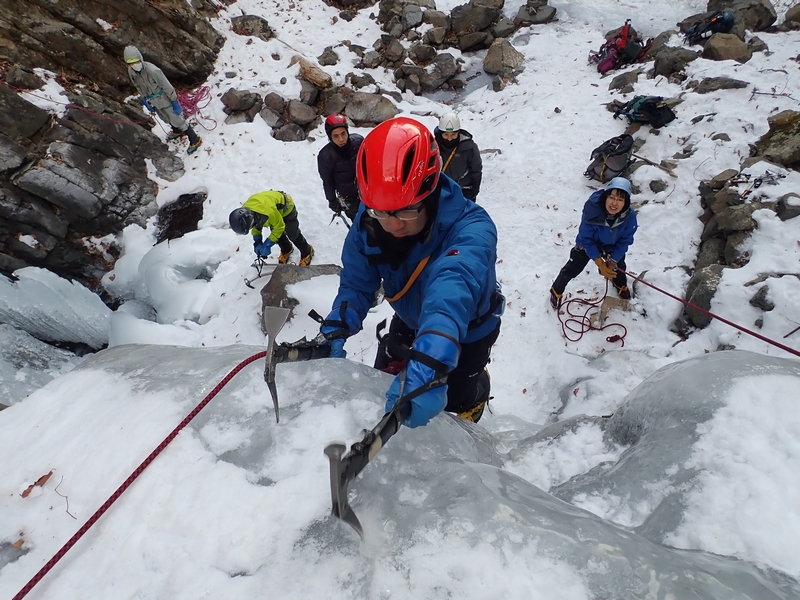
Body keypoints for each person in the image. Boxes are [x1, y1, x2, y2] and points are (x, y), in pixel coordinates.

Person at [319, 117, 503, 427]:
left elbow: (452, 286)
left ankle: (476, 392)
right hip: (410, 315)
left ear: (430, 191)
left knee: (454, 398)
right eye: (382, 212)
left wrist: (433, 354)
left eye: (407, 210)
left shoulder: (472, 229)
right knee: (387, 374)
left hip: (467, 328)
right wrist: (340, 320)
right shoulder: (370, 217)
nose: (393, 224)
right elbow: (357, 281)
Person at [549, 177, 637, 309]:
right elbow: (586, 239)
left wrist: (612, 261)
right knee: (572, 268)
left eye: (620, 199)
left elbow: (625, 241)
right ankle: (556, 290)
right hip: (587, 245)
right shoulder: (592, 211)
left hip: (612, 246)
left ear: (626, 202)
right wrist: (599, 261)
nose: (614, 203)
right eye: (612, 197)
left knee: (618, 268)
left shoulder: (629, 217)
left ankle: (620, 284)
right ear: (605, 197)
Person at [124, 46, 203, 155]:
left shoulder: (153, 71)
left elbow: (167, 86)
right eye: (131, 63)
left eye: (136, 62)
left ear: (140, 59)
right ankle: (176, 130)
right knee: (165, 117)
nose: (134, 65)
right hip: (154, 101)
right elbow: (138, 86)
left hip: (165, 99)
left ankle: (194, 139)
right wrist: (145, 100)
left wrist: (174, 102)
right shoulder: (131, 72)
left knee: (177, 119)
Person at [229, 191, 314, 266]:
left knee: (292, 233)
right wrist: (257, 241)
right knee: (277, 235)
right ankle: (287, 249)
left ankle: (307, 251)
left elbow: (279, 227)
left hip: (286, 207)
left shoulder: (268, 212)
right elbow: (256, 225)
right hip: (273, 212)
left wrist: (267, 244)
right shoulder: (248, 212)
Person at [317, 114, 364, 221]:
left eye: (343, 134)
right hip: (349, 197)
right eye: (336, 136)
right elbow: (327, 181)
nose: (341, 139)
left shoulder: (359, 142)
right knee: (359, 222)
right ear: (330, 137)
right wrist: (332, 200)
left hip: (367, 190)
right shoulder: (326, 156)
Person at [433, 111, 482, 202]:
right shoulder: (434, 147)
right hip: (442, 189)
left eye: (453, 135)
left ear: (458, 133)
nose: (449, 138)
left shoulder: (469, 148)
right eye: (446, 135)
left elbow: (476, 169)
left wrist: (474, 189)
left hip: (464, 189)